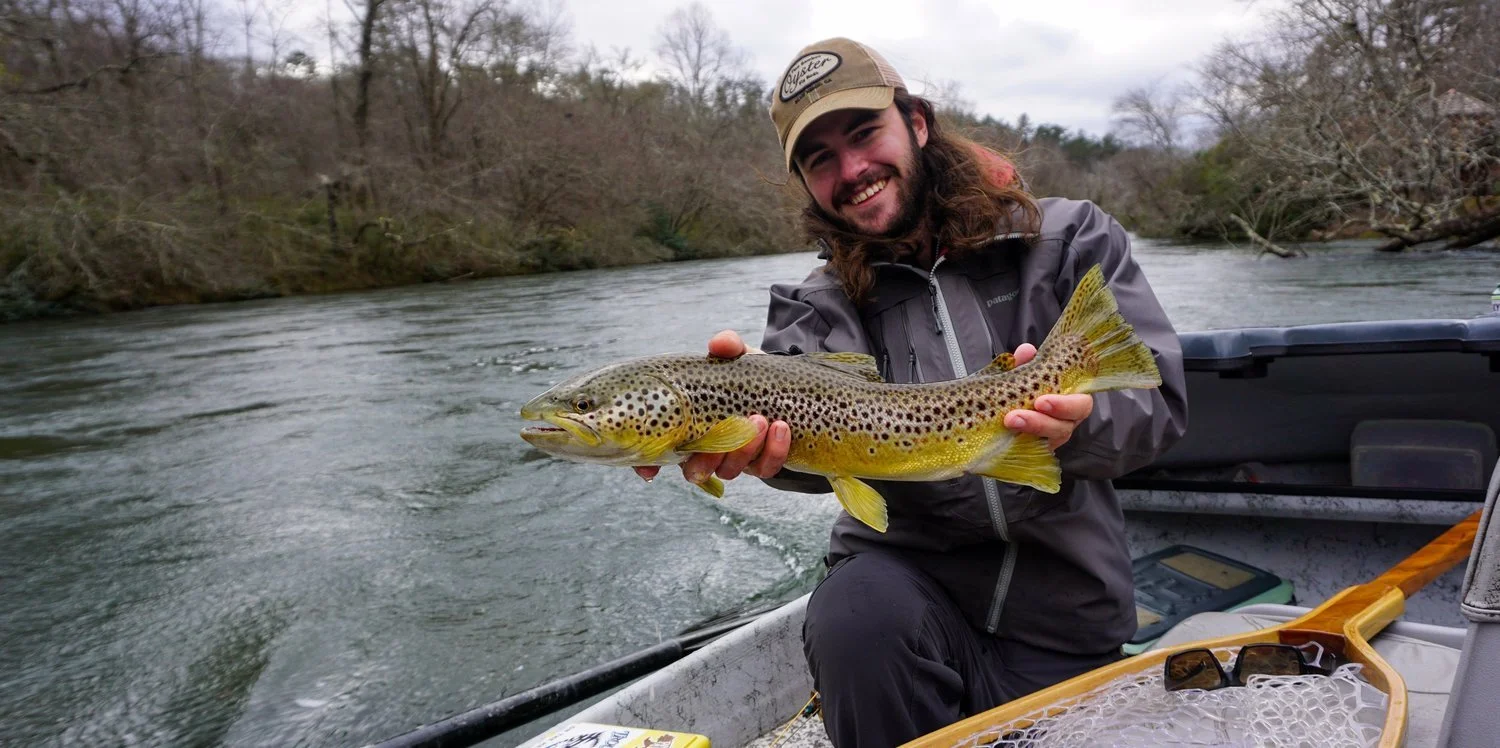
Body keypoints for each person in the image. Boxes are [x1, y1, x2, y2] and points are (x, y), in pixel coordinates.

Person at [637, 37, 1189, 747]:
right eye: (820, 160)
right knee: (855, 612)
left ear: (917, 123)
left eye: (865, 134)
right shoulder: (813, 307)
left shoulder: (1068, 239)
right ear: (806, 184)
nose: (852, 170)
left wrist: (1077, 426)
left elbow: (1163, 405)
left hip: (1067, 625)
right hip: (907, 626)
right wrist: (754, 443)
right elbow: (815, 453)